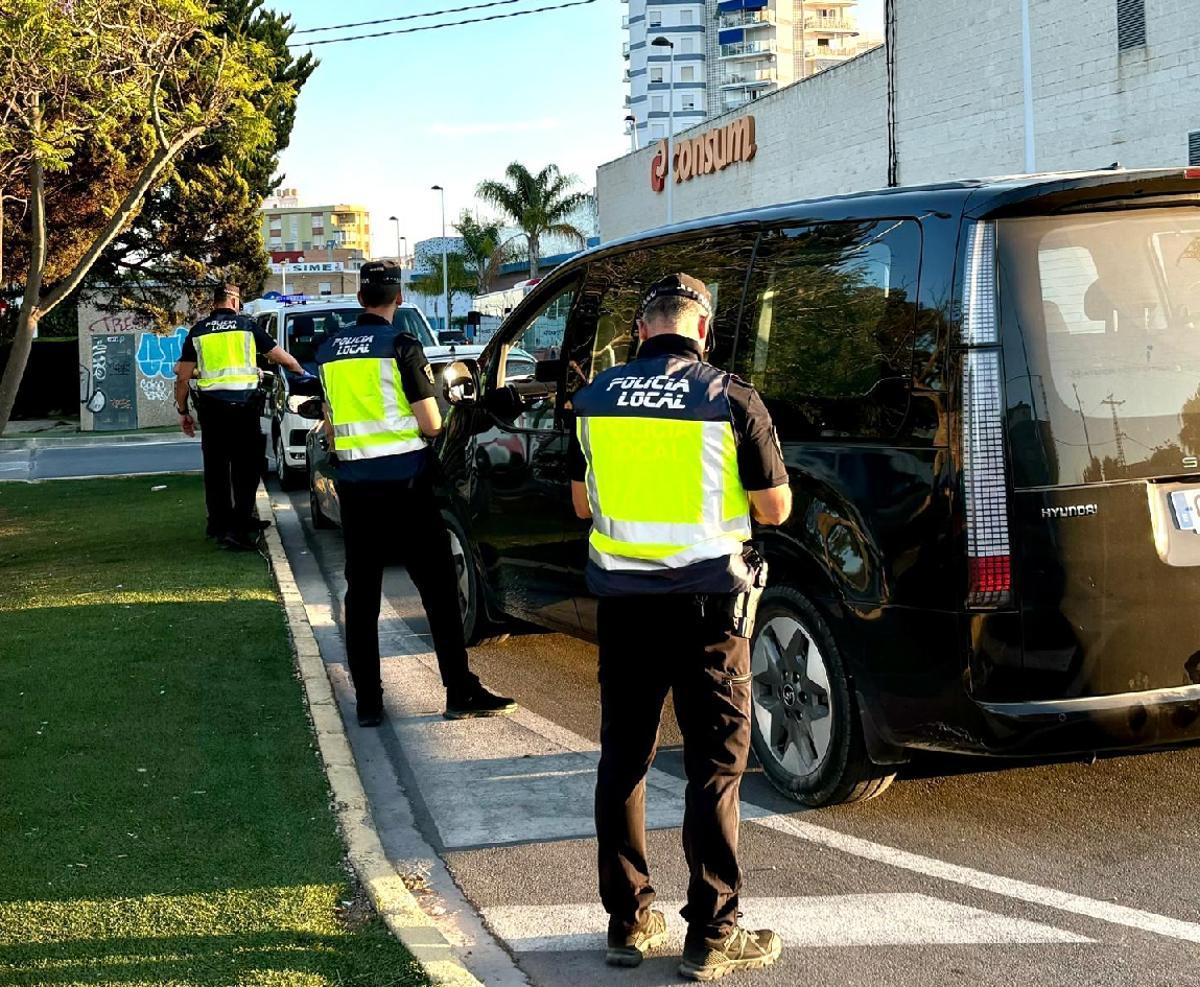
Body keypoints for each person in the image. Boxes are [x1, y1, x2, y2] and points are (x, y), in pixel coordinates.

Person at [568, 273, 792, 981]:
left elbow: (581, 502)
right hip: (708, 609)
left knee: (625, 759)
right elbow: (776, 507)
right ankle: (714, 931)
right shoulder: (731, 396)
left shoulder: (594, 398)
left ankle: (629, 919)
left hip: (625, 606)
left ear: (640, 330)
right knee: (716, 769)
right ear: (702, 330)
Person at [315, 260, 516, 727]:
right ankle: (458, 690)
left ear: (361, 298)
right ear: (398, 299)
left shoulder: (328, 351)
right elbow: (431, 422)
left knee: (361, 596)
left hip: (356, 491)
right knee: (440, 593)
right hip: (407, 486)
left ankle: (368, 702)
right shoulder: (401, 345)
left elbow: (329, 426)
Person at [174, 283, 306, 550]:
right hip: (244, 409)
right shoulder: (248, 327)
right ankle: (239, 528)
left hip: (212, 411)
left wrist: (183, 411)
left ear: (216, 303)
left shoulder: (197, 332)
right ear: (234, 302)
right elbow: (284, 359)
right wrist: (303, 374)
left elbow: (183, 376)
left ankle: (219, 524)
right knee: (246, 469)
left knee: (216, 469)